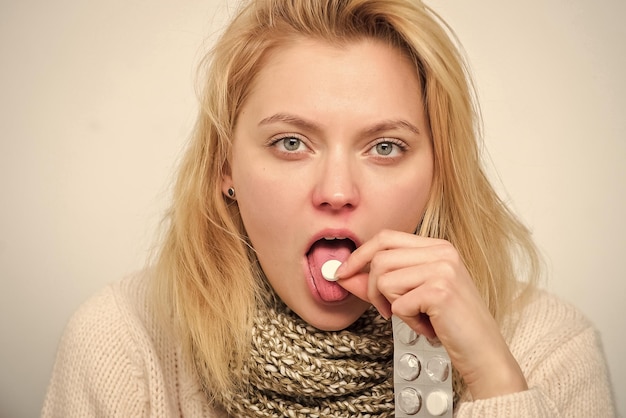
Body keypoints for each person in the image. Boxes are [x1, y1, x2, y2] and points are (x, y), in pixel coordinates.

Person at [42, 0, 616, 416]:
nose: (337, 190)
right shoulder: (123, 340)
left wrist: (496, 383)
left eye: (385, 147)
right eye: (291, 142)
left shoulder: (547, 347)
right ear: (226, 167)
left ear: (440, 173)